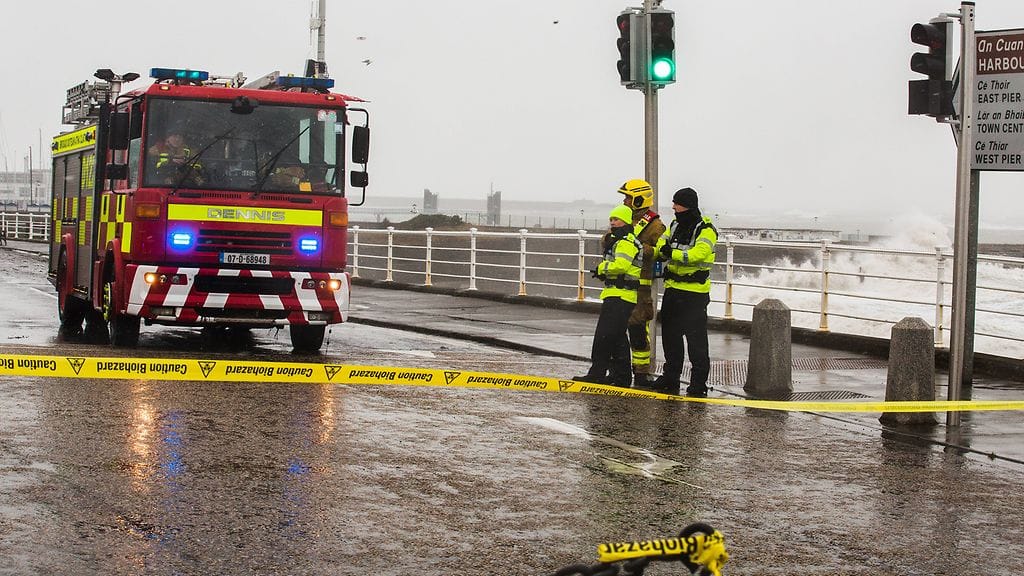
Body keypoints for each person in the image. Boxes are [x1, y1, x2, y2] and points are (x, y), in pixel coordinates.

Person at [650, 187, 718, 397]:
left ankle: (698, 384)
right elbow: (664, 241)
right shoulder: (675, 224)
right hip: (673, 290)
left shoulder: (705, 229)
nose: (673, 207)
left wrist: (673, 253)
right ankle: (670, 378)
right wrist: (663, 249)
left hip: (694, 294)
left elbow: (699, 254)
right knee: (671, 338)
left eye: (676, 203)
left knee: (696, 341)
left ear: (686, 205)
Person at [573, 204, 643, 388]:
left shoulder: (626, 242)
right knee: (616, 337)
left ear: (626, 221)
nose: (612, 222)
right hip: (618, 294)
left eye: (616, 219)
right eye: (611, 219)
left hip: (621, 295)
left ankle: (600, 373)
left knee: (605, 336)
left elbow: (621, 265)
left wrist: (602, 268)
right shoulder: (621, 240)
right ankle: (620, 377)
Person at [615, 179, 667, 388]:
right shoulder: (623, 218)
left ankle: (642, 373)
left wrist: (636, 247)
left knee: (637, 330)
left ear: (638, 198)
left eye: (628, 197)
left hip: (641, 285)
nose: (625, 200)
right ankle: (619, 370)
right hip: (619, 283)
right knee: (616, 329)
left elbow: (661, 251)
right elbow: (609, 240)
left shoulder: (655, 224)